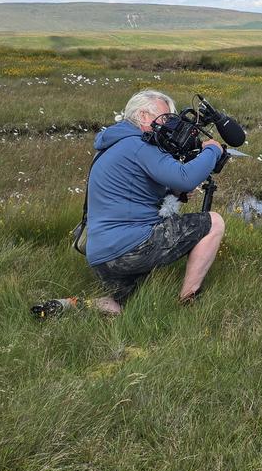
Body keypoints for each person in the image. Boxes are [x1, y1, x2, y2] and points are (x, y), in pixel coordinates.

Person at [85, 89, 225, 315]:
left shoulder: (112, 143)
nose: (168, 124)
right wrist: (212, 151)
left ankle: (73, 305)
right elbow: (186, 177)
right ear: (142, 116)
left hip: (101, 256)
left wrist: (172, 193)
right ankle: (188, 300)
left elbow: (133, 191)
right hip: (131, 248)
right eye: (164, 117)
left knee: (121, 304)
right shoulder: (139, 144)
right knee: (214, 222)